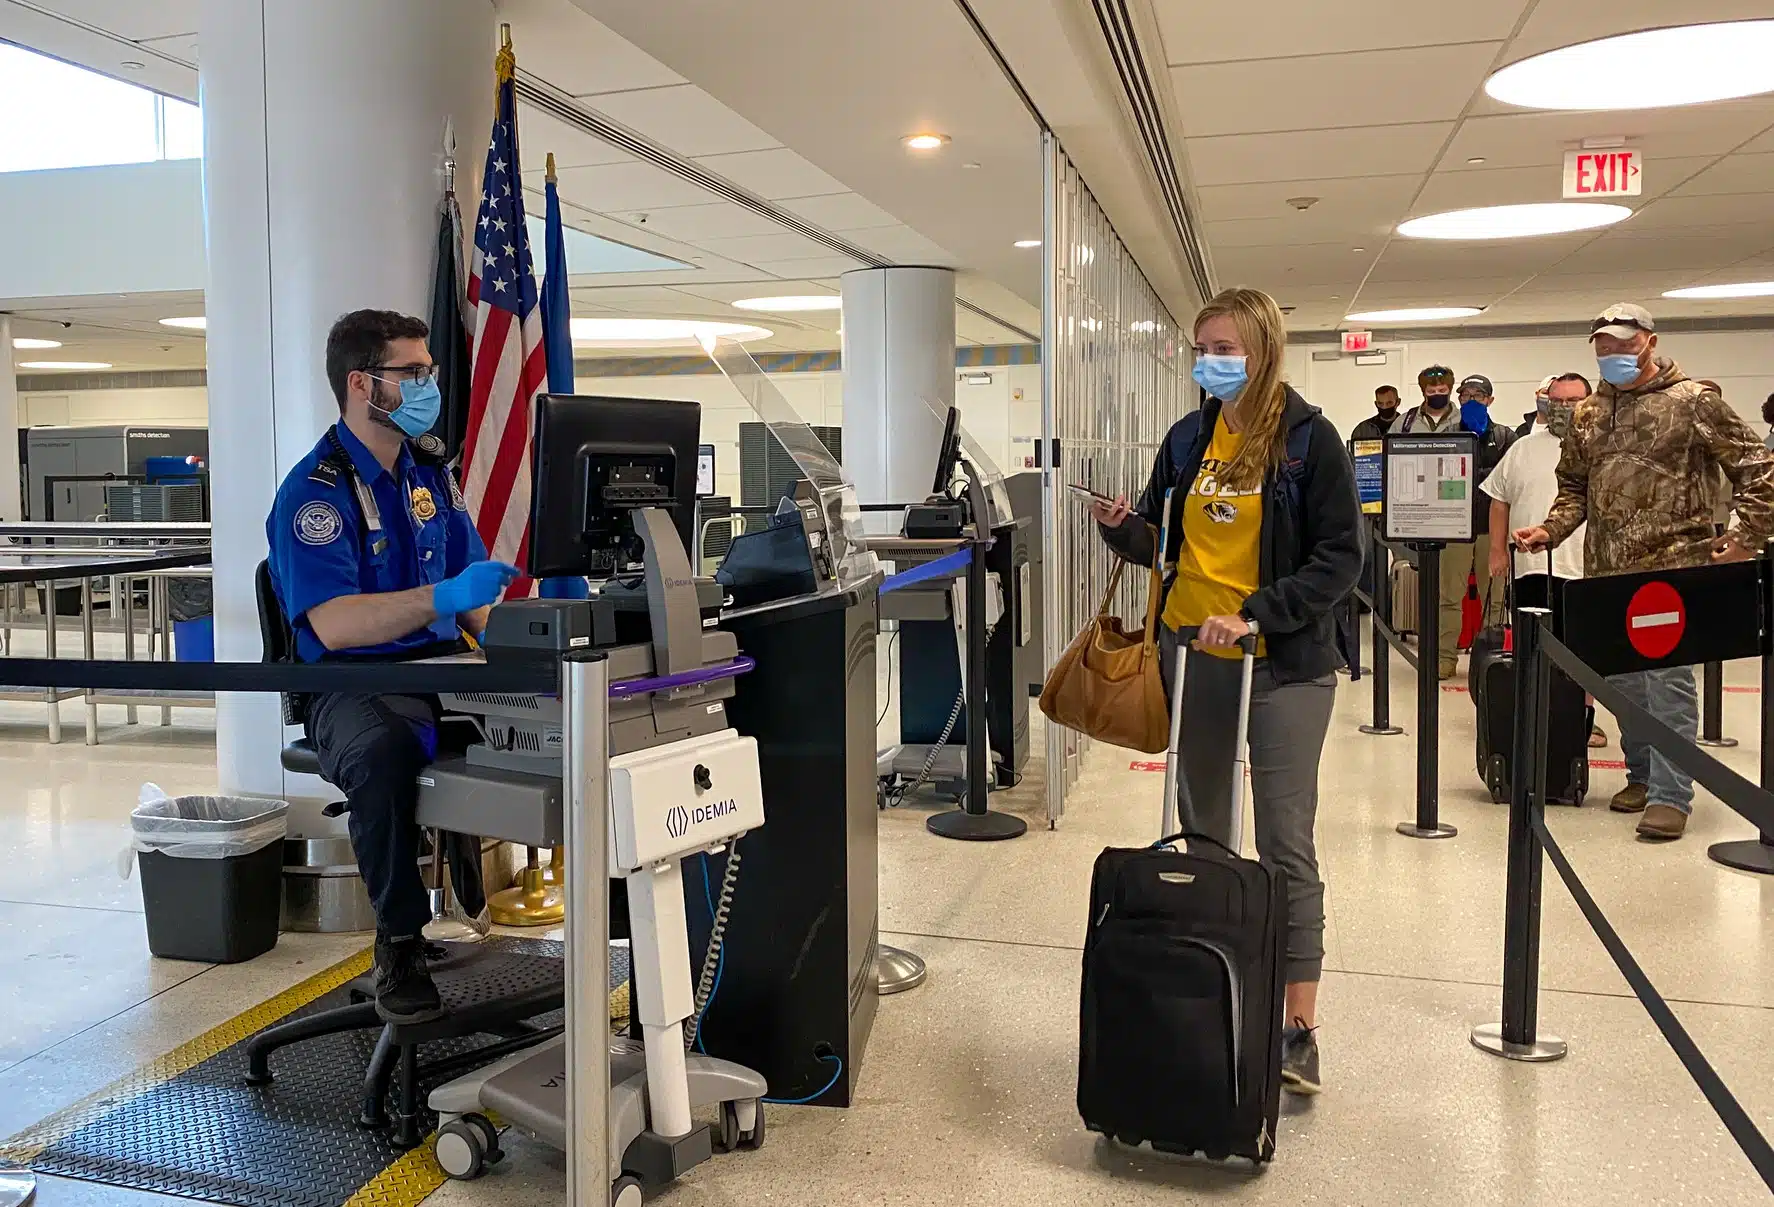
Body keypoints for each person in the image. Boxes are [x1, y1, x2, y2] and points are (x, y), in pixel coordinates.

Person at [1090, 287, 1362, 1097]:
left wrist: (1254, 613)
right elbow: (1161, 542)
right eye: (1200, 344)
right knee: (1203, 831)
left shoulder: (1311, 443)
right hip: (1193, 659)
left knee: (1284, 840)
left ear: (1263, 349)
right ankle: (1211, 991)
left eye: (1222, 345)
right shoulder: (1189, 436)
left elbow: (1339, 559)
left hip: (1281, 663)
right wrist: (1120, 526)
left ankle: (1299, 1025)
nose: (1207, 358)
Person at [267, 309, 520, 1021]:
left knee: (558, 726)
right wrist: (439, 596)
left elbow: (474, 603)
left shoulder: (430, 474)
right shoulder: (314, 494)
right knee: (383, 755)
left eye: (429, 372)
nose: (429, 385)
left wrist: (530, 649)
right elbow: (337, 623)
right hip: (353, 682)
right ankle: (399, 941)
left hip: (442, 668)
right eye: (412, 373)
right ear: (362, 384)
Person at [1516, 303, 1774, 841]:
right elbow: (1575, 487)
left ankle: (1671, 794)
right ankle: (1640, 775)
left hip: (1672, 573)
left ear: (1649, 342)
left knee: (1668, 683)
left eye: (1622, 343)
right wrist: (1550, 530)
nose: (1612, 354)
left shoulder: (1694, 403)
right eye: (1602, 346)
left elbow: (1758, 467)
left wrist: (1746, 537)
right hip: (1608, 572)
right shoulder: (1588, 414)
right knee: (1621, 683)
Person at [1483, 372, 1607, 747]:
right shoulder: (1523, 448)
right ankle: (1531, 713)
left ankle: (1583, 721)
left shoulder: (1606, 446)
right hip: (1530, 569)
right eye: (1558, 400)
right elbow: (1499, 499)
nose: (1565, 408)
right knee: (1530, 649)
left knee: (1582, 652)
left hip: (1585, 570)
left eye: (1573, 400)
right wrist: (1497, 549)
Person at [1401, 368, 1515, 677]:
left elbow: (1511, 484)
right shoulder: (1448, 435)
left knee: (1494, 599)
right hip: (1453, 529)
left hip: (1493, 532)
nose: (1471, 401)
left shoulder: (1505, 436)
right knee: (1448, 598)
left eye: (1478, 396)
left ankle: (1489, 662)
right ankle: (1444, 659)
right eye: (1466, 395)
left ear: (1490, 399)